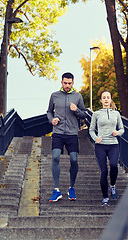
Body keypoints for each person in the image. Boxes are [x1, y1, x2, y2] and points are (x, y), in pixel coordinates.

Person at [46, 72, 87, 202]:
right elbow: (48, 112)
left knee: (74, 160)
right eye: (65, 83)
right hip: (58, 132)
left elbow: (84, 114)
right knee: (56, 157)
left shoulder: (78, 96)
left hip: (72, 134)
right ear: (61, 82)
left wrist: (76, 110)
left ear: (73, 83)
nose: (67, 85)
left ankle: (71, 188)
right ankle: (56, 190)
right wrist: (51, 120)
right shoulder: (54, 96)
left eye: (69, 83)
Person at [89, 90, 124, 206]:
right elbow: (91, 130)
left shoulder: (116, 114)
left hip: (113, 144)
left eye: (108, 97)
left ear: (110, 99)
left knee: (114, 165)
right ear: (101, 100)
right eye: (103, 97)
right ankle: (105, 198)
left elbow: (122, 129)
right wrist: (95, 138)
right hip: (100, 146)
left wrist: (117, 133)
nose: (106, 99)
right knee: (104, 171)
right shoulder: (96, 114)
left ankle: (112, 186)